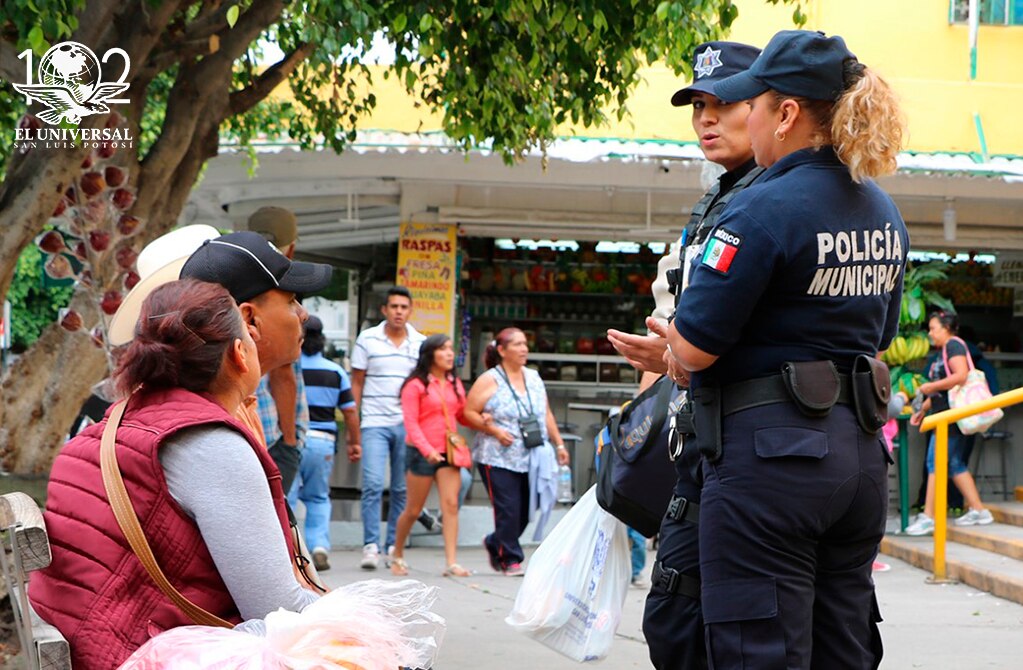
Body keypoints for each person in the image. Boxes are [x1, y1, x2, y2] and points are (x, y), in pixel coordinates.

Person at [664, 30, 908, 667]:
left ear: (788, 113)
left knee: (758, 651)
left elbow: (692, 351)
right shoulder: (882, 210)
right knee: (841, 647)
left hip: (770, 467)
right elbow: (878, 337)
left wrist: (672, 351)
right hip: (857, 461)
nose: (751, 118)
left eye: (758, 104)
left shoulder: (760, 210)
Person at [30, 280, 320, 668]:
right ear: (239, 354)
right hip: (149, 655)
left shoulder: (100, 432)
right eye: (248, 335)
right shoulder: (212, 444)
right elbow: (277, 612)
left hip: (102, 646)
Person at [607, 40, 762, 670]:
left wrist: (675, 356)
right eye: (698, 104)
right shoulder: (714, 205)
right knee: (675, 619)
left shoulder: (768, 205)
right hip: (698, 441)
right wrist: (663, 355)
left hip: (749, 450)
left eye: (723, 103)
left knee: (724, 626)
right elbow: (681, 315)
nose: (706, 117)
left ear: (770, 109)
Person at [463, 328, 570, 576]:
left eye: (525, 344)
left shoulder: (533, 377)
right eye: (518, 344)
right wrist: (493, 430)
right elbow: (468, 413)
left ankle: (494, 542)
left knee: (524, 510)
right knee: (508, 508)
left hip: (531, 455)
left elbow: (545, 413)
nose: (524, 349)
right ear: (502, 350)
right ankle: (511, 558)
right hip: (497, 455)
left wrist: (559, 444)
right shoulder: (490, 379)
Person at [351, 286, 427, 569]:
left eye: (404, 307)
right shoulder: (367, 339)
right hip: (373, 422)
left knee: (400, 488)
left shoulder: (419, 343)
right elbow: (356, 382)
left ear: (410, 311)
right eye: (394, 306)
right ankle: (371, 545)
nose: (398, 312)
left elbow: (422, 387)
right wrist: (354, 423)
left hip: (407, 425)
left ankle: (394, 545)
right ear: (385, 310)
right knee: (371, 484)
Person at [390, 334, 473, 578]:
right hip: (421, 453)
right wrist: (428, 451)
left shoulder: (454, 383)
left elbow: (460, 416)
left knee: (450, 505)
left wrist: (481, 420)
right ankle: (397, 554)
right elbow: (411, 424)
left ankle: (451, 562)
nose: (450, 353)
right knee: (414, 510)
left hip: (449, 451)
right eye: (443, 349)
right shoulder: (415, 385)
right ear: (430, 354)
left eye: (451, 348)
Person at [906, 311, 993, 535]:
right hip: (945, 414)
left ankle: (928, 516)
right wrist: (924, 409)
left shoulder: (954, 345)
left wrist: (929, 388)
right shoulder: (945, 350)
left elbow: (961, 376)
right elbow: (944, 389)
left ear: (946, 328)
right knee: (953, 464)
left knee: (935, 462)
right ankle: (980, 511)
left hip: (950, 417)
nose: (930, 333)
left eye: (933, 328)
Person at [290, 315, 361, 571]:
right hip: (323, 443)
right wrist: (355, 442)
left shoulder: (287, 368)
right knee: (318, 498)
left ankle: (290, 549)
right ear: (322, 341)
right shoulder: (336, 371)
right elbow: (350, 412)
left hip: (291, 440)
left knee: (287, 496)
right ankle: (319, 546)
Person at [249, 206, 311, 493]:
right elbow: (283, 374)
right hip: (270, 433)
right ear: (291, 249)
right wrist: (288, 442)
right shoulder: (276, 290)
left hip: (239, 425)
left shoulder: (235, 281)